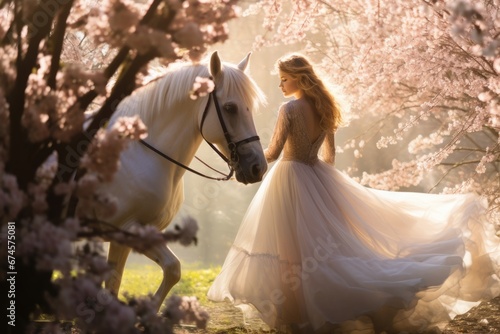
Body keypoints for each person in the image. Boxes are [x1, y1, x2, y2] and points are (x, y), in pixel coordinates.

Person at [207, 53, 500, 333]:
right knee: (319, 248)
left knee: (292, 249)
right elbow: (330, 156)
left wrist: (244, 164)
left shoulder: (289, 110)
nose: (280, 85)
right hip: (318, 175)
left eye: (284, 79)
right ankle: (308, 310)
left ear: (298, 78)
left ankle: (297, 313)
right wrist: (319, 179)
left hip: (290, 176)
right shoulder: (324, 107)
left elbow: (272, 151)